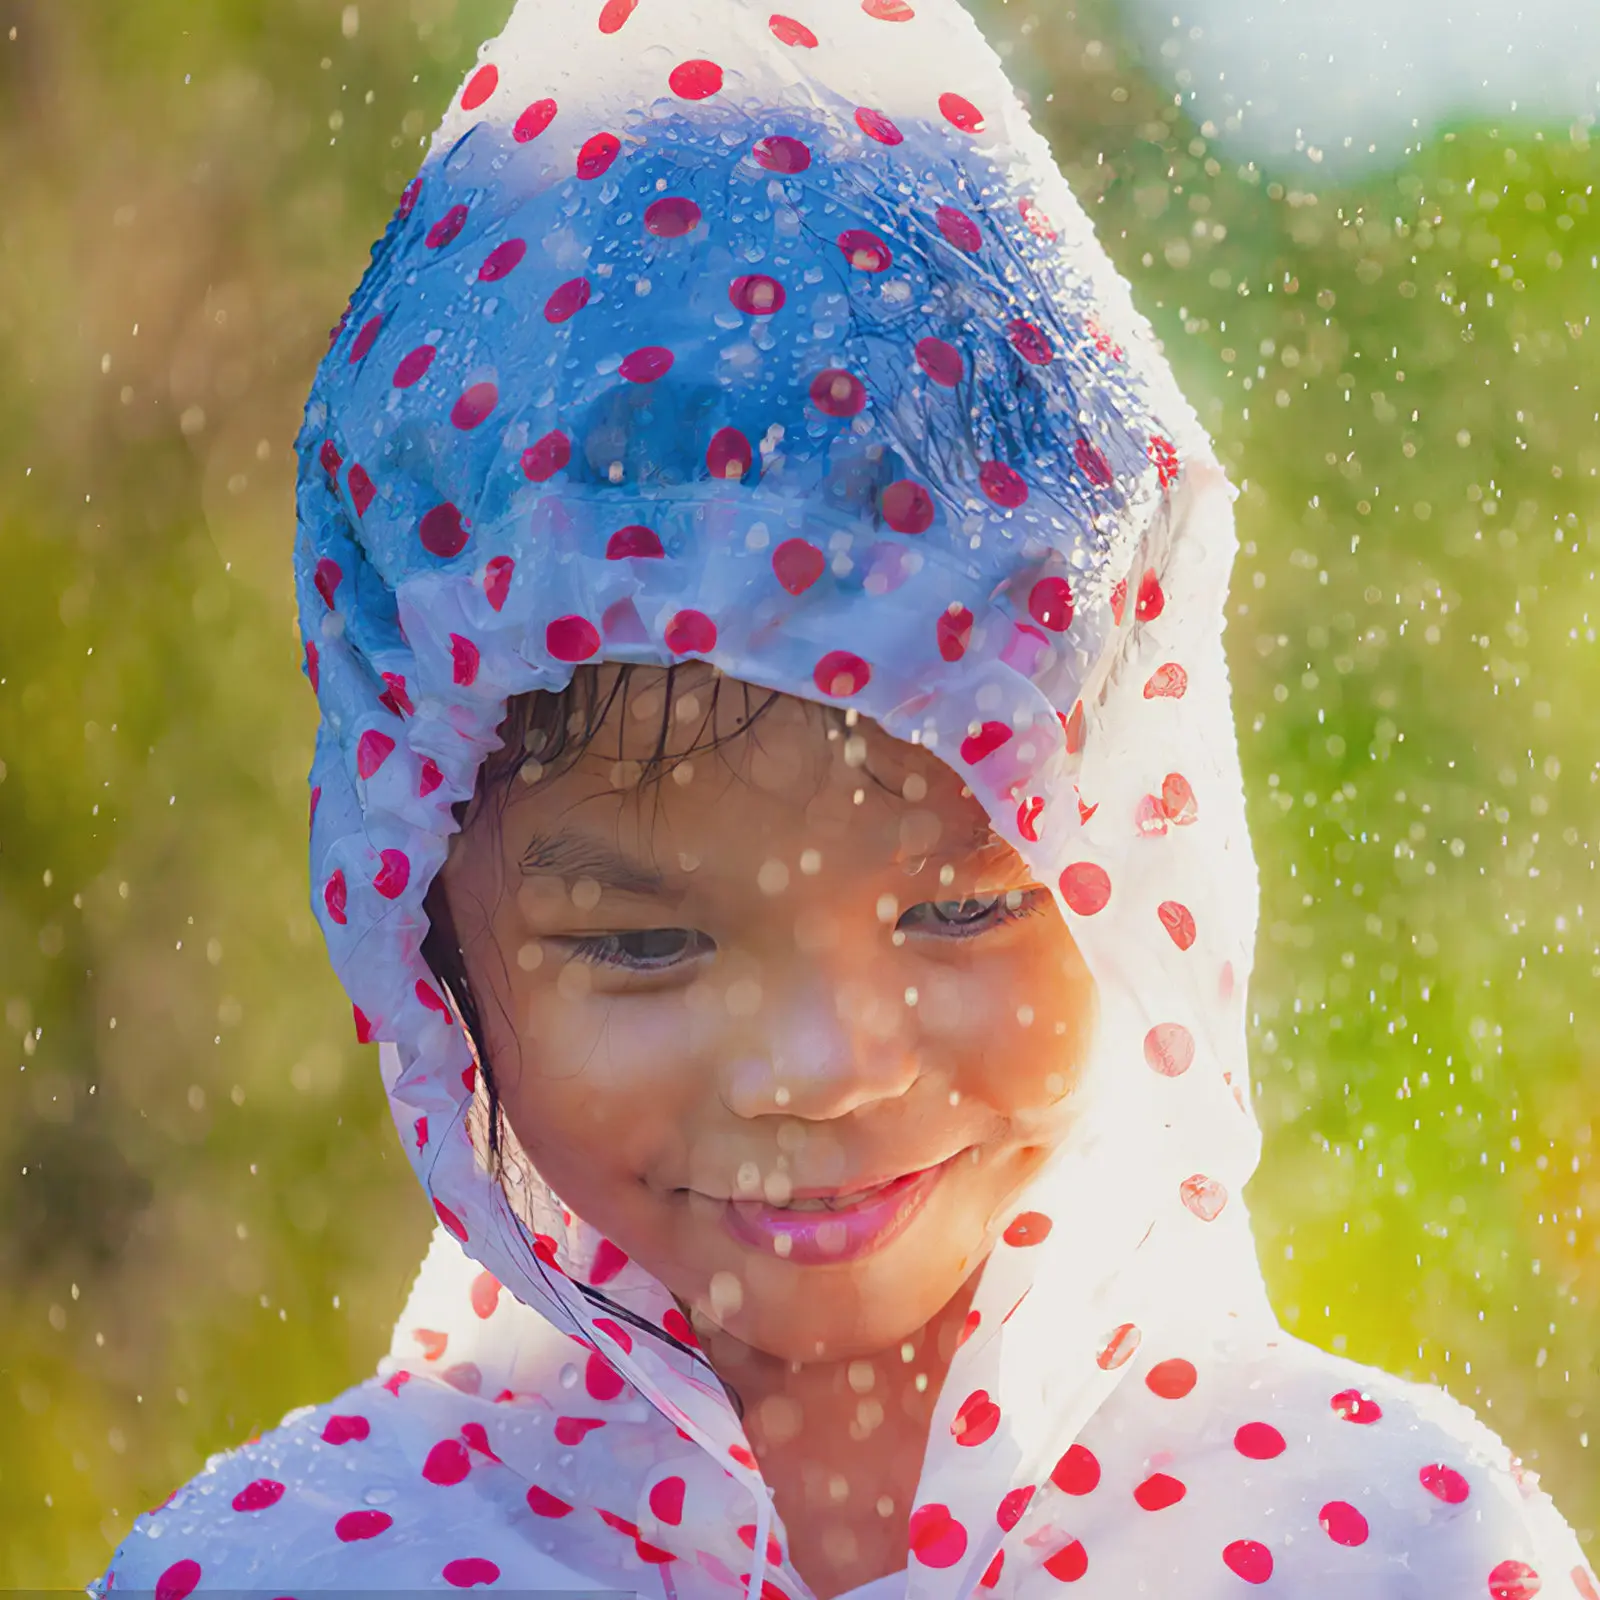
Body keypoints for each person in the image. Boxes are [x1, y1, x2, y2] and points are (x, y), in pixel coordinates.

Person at [96, 1, 1591, 1596]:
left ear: (1137, 852)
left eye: (961, 907)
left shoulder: (1376, 1548)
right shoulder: (304, 1572)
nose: (820, 1069)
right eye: (645, 946)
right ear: (429, 941)